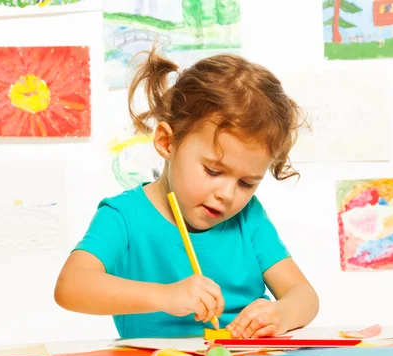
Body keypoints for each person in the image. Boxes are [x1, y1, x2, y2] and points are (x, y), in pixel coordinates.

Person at [54, 47, 319, 339]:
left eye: (247, 183)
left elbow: (304, 296)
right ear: (168, 142)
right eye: (214, 171)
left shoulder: (248, 218)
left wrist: (282, 314)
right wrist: (165, 296)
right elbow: (70, 287)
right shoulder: (124, 217)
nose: (228, 194)